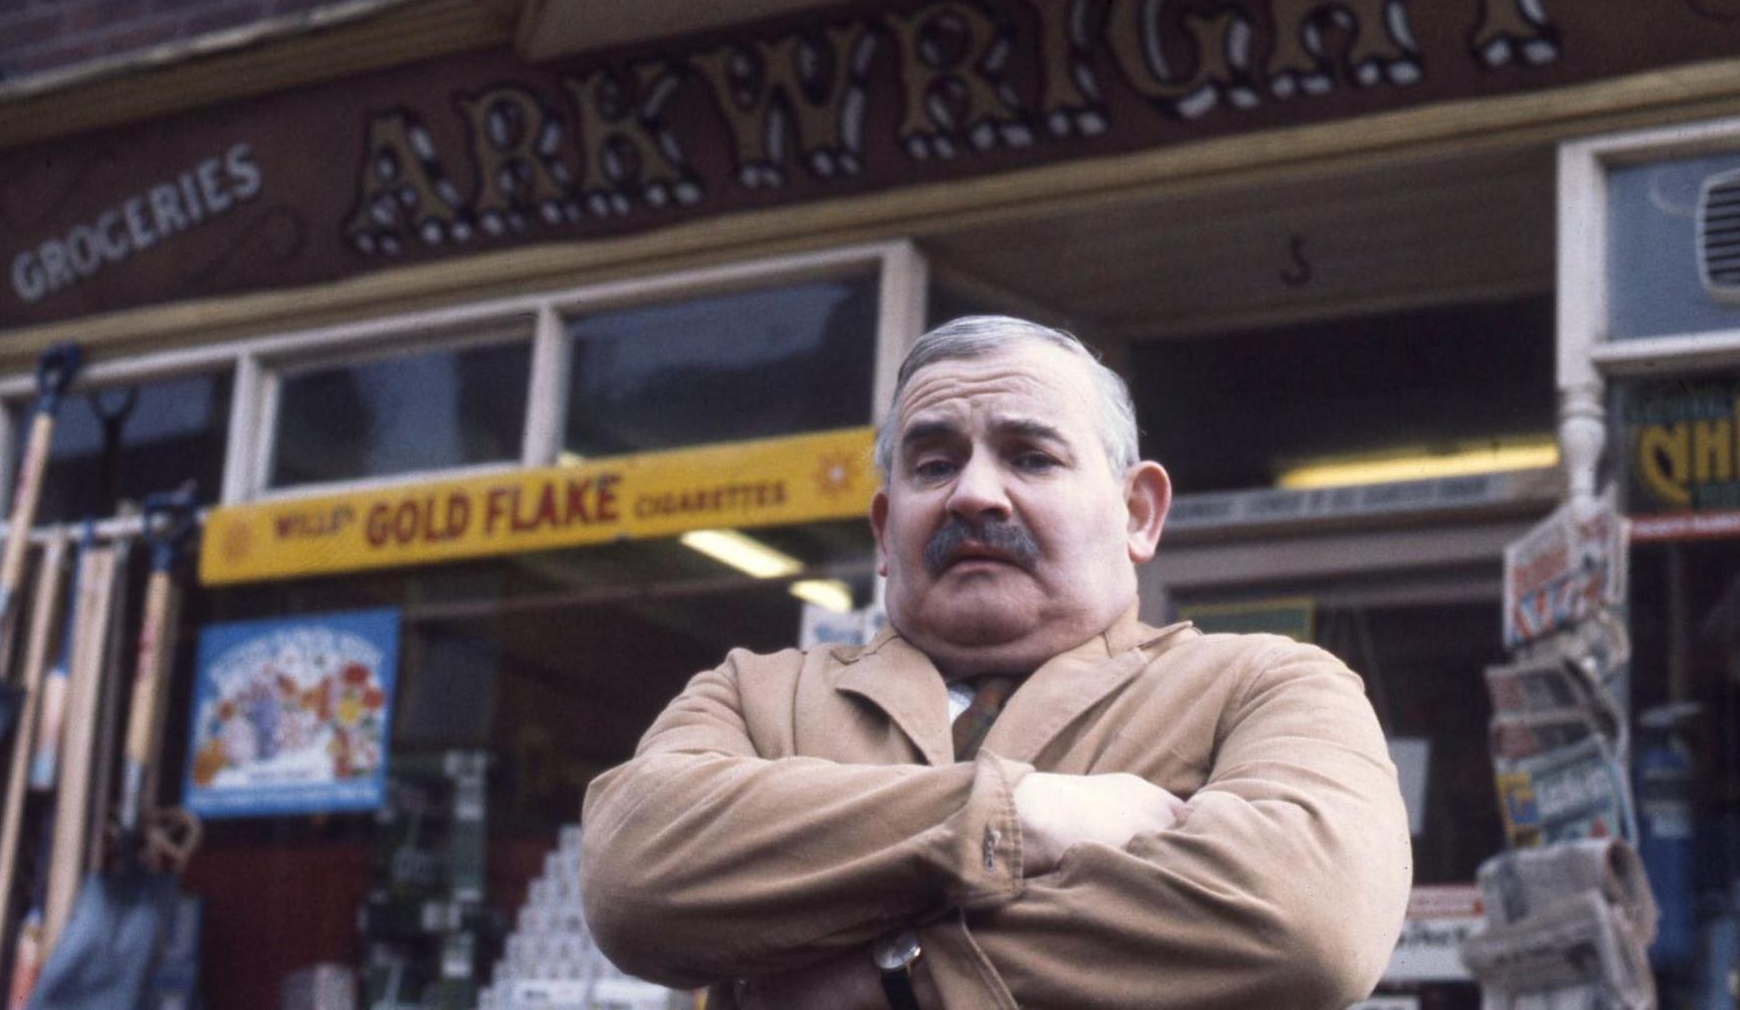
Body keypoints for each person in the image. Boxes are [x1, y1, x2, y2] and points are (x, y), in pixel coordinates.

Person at [581, 315, 1412, 1008]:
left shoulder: (1263, 687)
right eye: (935, 463)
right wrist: (1024, 815)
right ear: (883, 528)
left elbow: (1304, 921)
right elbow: (635, 879)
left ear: (1137, 513)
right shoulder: (754, 695)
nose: (974, 494)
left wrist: (883, 975)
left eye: (1030, 456)